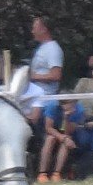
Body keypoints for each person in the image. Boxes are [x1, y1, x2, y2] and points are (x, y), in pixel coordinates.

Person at [27, 15, 65, 148]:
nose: (32, 31)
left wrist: (32, 76)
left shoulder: (53, 49)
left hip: (44, 97)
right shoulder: (41, 48)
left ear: (44, 29)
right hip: (33, 95)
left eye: (34, 28)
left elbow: (56, 75)